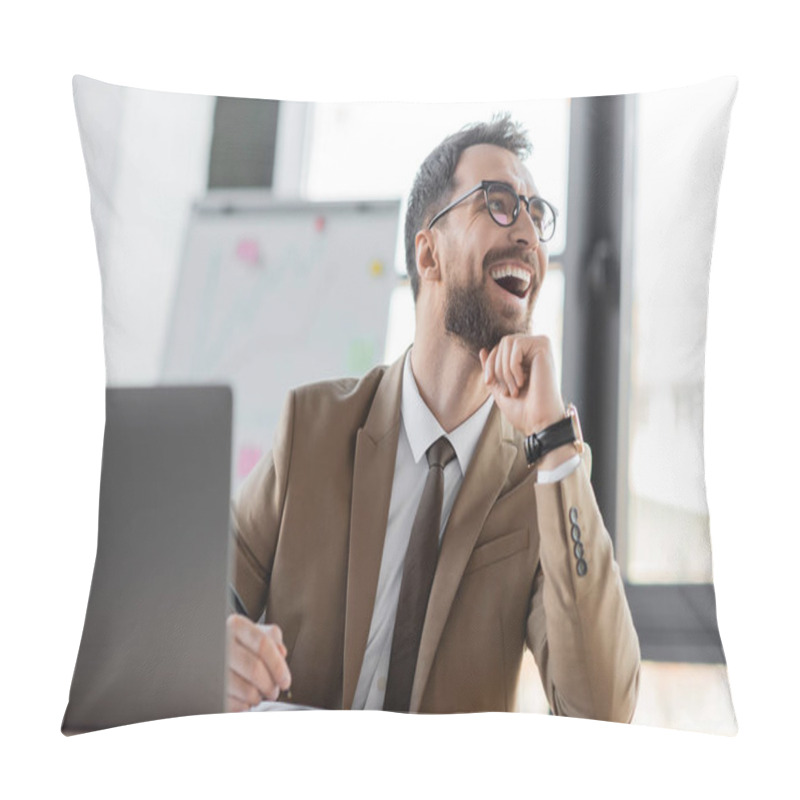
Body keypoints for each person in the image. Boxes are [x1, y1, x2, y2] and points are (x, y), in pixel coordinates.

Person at [226, 114, 640, 719]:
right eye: (499, 204)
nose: (528, 232)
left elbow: (603, 712)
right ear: (429, 255)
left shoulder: (541, 481)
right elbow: (202, 601)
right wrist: (217, 645)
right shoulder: (313, 426)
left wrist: (554, 444)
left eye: (535, 213)